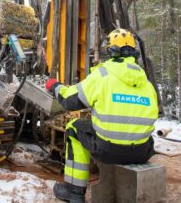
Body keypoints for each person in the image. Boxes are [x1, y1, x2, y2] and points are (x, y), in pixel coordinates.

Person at [45, 28, 159, 202]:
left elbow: (70, 101)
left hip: (108, 150)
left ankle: (74, 192)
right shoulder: (146, 82)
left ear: (110, 50)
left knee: (73, 128)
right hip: (142, 151)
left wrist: (55, 86)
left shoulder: (103, 74)